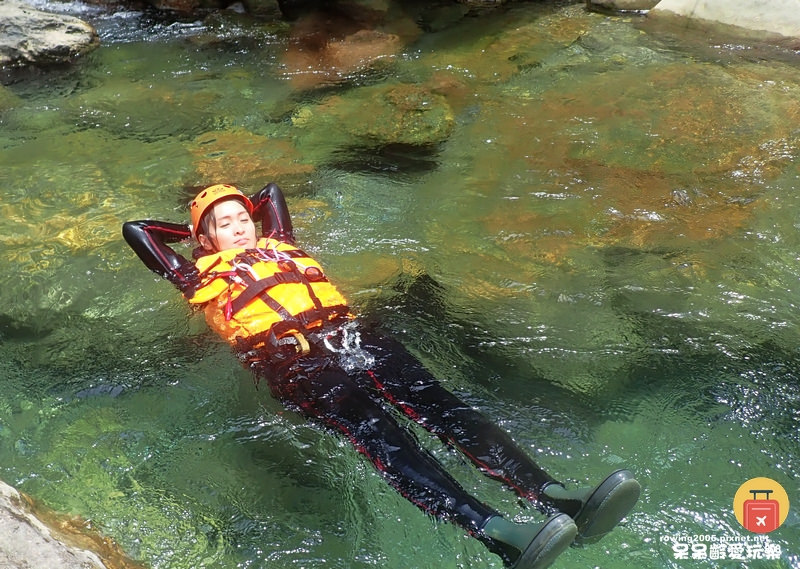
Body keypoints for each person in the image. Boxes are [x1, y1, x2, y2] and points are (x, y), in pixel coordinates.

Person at [122, 183, 641, 569]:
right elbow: (138, 231)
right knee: (389, 440)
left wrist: (235, 208)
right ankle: (502, 534)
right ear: (203, 240)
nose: (240, 226)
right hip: (294, 363)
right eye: (225, 223)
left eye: (243, 218)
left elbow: (271, 192)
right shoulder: (195, 275)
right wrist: (198, 233)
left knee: (442, 405)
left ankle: (554, 495)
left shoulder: (282, 245)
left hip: (351, 334)